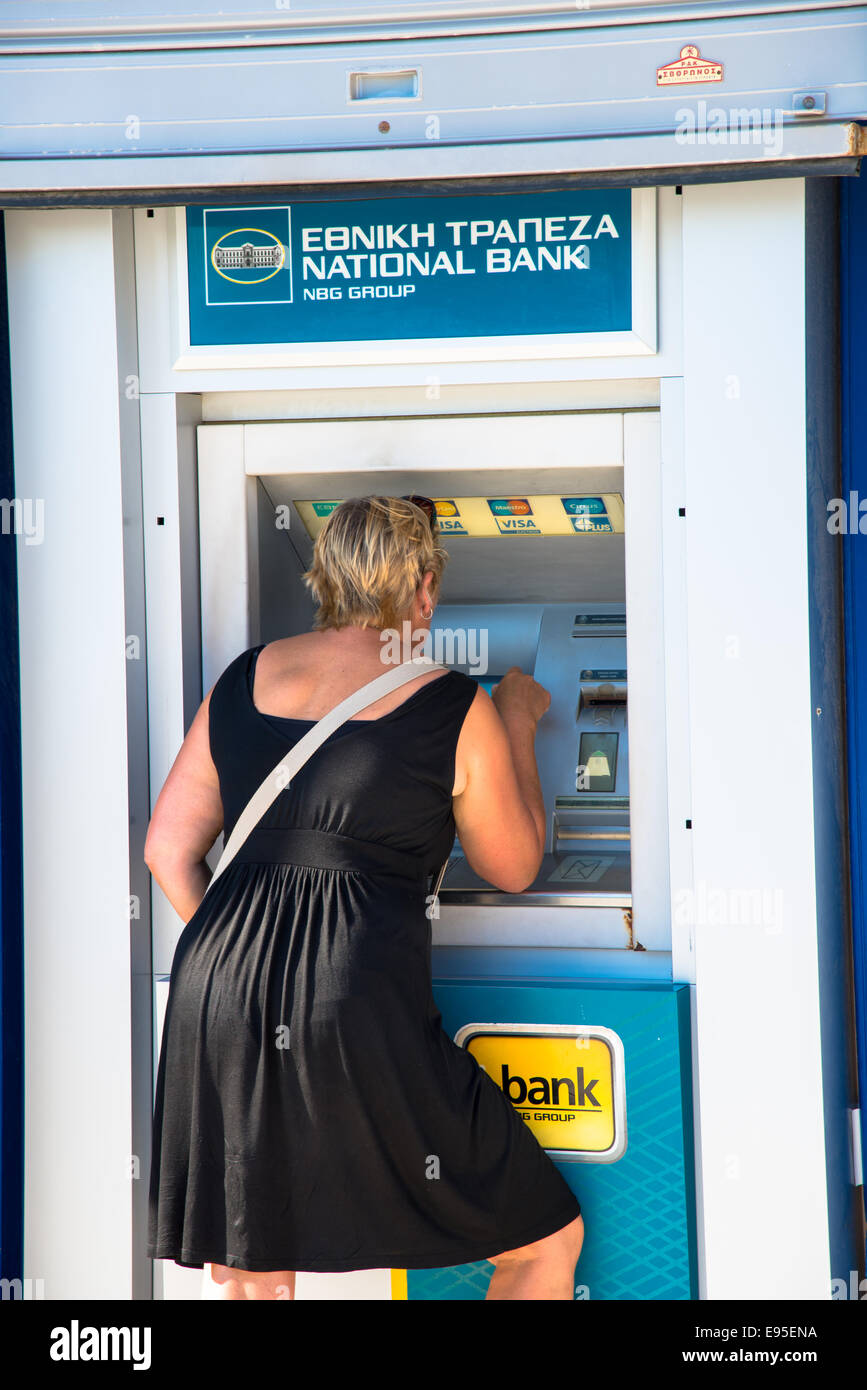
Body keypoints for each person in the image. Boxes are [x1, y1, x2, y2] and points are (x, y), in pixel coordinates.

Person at [144, 495, 584, 1300]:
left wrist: (252, 952)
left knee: (253, 1260)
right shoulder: (453, 701)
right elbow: (513, 864)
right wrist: (516, 718)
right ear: (421, 586)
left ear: (325, 576)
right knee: (540, 1240)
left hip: (212, 986)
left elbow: (167, 850)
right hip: (347, 992)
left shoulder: (245, 676)